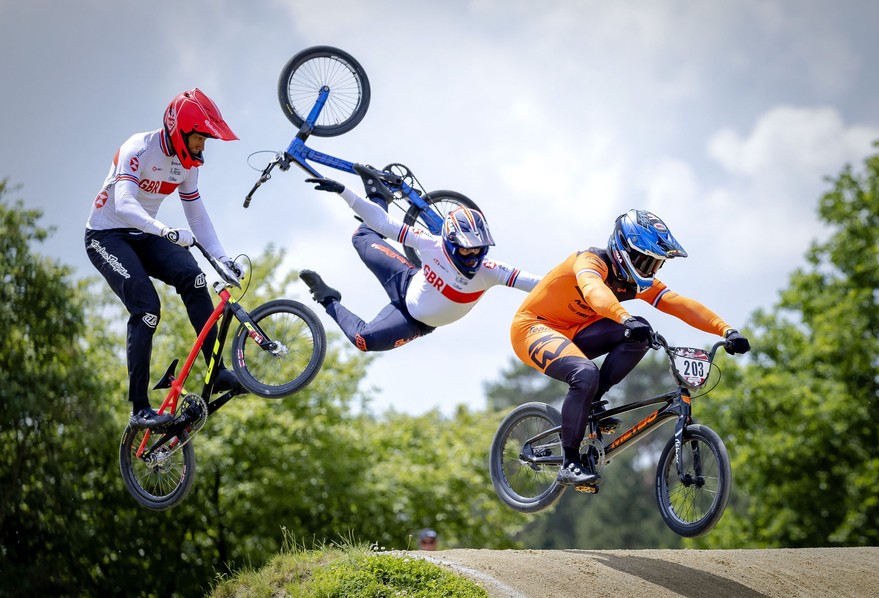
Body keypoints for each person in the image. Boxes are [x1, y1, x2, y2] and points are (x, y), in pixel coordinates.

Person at [510, 209, 751, 486]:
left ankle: (592, 400)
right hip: (533, 328)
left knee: (641, 334)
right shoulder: (590, 261)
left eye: (655, 265)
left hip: (575, 332)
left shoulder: (636, 282)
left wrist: (727, 330)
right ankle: (570, 463)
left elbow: (679, 304)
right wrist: (625, 318)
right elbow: (594, 292)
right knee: (586, 372)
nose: (649, 271)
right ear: (622, 249)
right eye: (645, 261)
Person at [85, 88, 245, 430]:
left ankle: (216, 371)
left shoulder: (187, 164)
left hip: (145, 235)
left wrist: (221, 258)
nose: (202, 147)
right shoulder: (138, 148)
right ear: (179, 131)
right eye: (199, 138)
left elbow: (196, 213)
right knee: (147, 309)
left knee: (195, 278)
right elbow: (124, 204)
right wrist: (165, 231)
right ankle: (139, 408)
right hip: (107, 236)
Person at [298, 165, 541, 351]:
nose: (473, 255)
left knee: (363, 340)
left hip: (413, 321)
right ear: (450, 242)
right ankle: (379, 195)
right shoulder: (430, 244)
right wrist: (344, 192)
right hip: (405, 279)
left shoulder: (491, 271)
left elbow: (542, 283)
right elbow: (383, 223)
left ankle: (327, 298)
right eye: (467, 249)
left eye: (479, 249)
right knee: (361, 237)